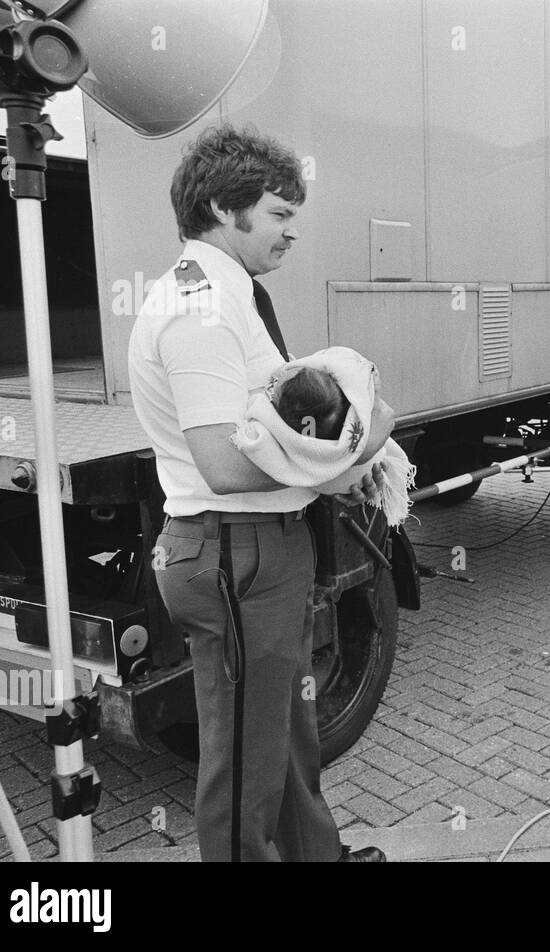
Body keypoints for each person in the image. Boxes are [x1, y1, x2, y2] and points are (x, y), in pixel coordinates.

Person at [128, 125, 392, 862]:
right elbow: (221, 462)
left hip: (254, 550)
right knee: (246, 760)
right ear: (223, 206)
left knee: (287, 728)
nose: (292, 230)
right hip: (234, 552)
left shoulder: (232, 294)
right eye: (279, 213)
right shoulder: (202, 308)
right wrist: (349, 456)